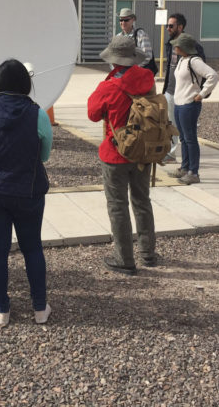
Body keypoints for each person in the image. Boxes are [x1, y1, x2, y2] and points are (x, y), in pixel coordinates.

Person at [0, 59, 53, 326]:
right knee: (32, 248)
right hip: (27, 189)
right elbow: (45, 154)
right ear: (26, 83)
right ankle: (40, 308)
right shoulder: (37, 113)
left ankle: (2, 309)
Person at [88, 35, 158, 275]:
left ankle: (124, 258)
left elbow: (93, 114)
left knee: (118, 205)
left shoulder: (108, 87)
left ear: (114, 60)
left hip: (115, 152)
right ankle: (148, 253)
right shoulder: (147, 78)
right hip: (143, 151)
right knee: (142, 201)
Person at [169, 33, 218, 185]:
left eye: (177, 45)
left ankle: (194, 172)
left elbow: (213, 75)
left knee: (190, 139)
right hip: (179, 103)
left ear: (183, 47)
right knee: (183, 138)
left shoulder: (194, 61)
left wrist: (202, 94)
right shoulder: (182, 60)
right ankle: (185, 167)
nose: (174, 47)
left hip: (189, 105)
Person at [160, 13, 205, 166]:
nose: (168, 28)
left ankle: (191, 168)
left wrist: (201, 94)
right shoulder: (170, 44)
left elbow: (206, 73)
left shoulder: (193, 46)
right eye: (167, 25)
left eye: (171, 26)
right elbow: (170, 68)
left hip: (186, 96)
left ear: (180, 27)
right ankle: (172, 154)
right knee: (170, 125)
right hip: (171, 92)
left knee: (187, 134)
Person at [117, 8, 156, 73]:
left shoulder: (141, 35)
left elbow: (147, 56)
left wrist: (133, 69)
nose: (123, 22)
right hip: (122, 75)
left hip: (137, 75)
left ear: (133, 20)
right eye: (121, 20)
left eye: (126, 20)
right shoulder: (118, 37)